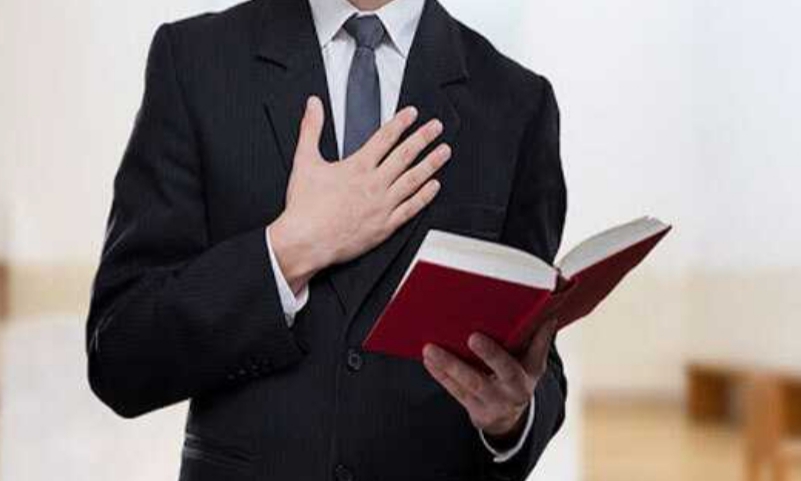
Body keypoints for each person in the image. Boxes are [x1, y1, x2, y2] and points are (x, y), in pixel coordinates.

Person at [85, 0, 568, 479]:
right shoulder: (195, 60)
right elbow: (121, 354)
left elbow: (537, 363)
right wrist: (289, 251)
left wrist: (511, 419)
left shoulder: (517, 103)